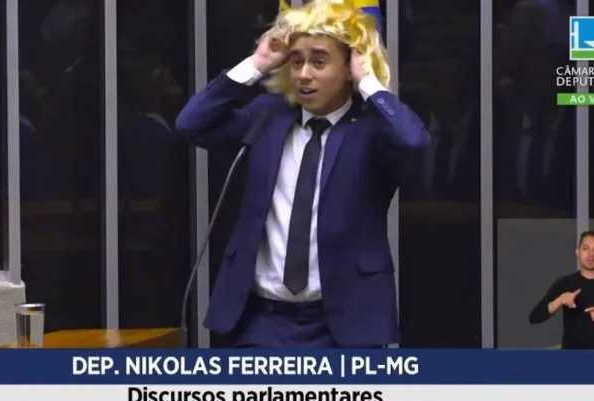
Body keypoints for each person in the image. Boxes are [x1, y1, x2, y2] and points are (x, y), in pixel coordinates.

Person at [175, 0, 429, 348]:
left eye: (319, 62)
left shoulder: (371, 130)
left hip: (343, 323)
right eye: (296, 62)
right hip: (261, 321)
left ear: (349, 67)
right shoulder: (267, 116)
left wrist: (368, 82)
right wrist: (258, 63)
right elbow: (191, 123)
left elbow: (413, 141)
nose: (304, 74)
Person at [528, 231, 594, 349]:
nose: (590, 255)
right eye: (585, 249)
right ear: (577, 252)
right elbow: (535, 317)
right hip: (570, 357)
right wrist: (559, 300)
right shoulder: (565, 283)